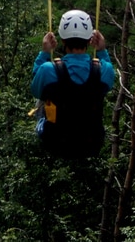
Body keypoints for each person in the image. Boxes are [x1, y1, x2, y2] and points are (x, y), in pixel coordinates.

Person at [30, 9, 115, 159]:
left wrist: (44, 53)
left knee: (42, 103)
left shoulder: (49, 69)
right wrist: (102, 51)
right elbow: (109, 80)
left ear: (62, 40)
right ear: (90, 40)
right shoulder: (103, 69)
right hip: (91, 142)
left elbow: (36, 89)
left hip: (55, 141)